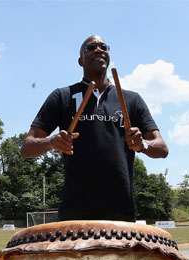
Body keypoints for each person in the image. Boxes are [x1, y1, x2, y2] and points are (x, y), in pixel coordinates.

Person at [20, 35, 168, 222]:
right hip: (75, 209)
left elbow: (162, 148)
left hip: (121, 208)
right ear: (80, 60)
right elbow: (27, 148)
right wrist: (52, 142)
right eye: (91, 47)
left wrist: (143, 145)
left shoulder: (131, 99)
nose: (99, 50)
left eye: (103, 47)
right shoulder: (62, 96)